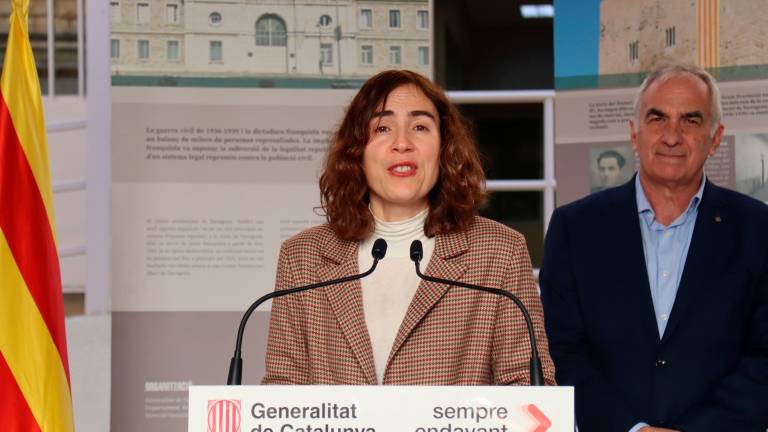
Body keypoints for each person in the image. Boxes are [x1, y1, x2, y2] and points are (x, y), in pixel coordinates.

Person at [262, 70, 555, 385]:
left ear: (443, 148)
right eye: (383, 128)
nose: (402, 143)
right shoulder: (302, 256)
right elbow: (283, 389)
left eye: (420, 127)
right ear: (356, 151)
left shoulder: (500, 251)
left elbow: (529, 389)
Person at [540, 62, 768, 431]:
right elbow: (562, 352)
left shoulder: (758, 229)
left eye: (691, 121)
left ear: (715, 137)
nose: (671, 136)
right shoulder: (575, 228)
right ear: (634, 133)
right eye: (657, 118)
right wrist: (633, 429)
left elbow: (764, 357)